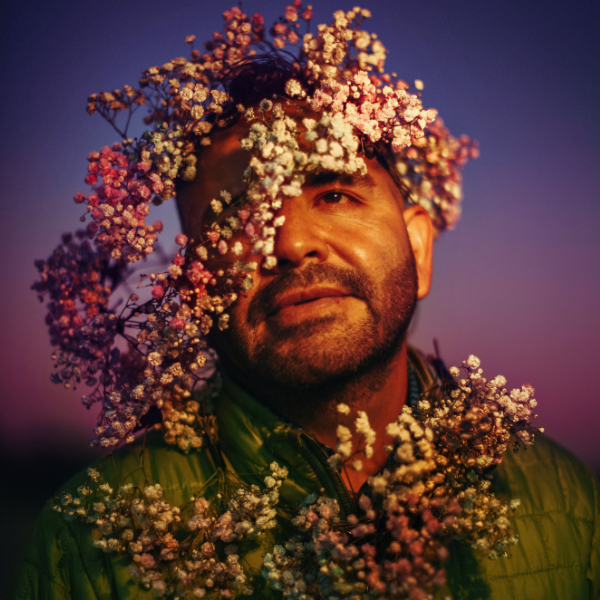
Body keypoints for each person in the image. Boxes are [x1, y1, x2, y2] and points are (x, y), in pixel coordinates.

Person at [15, 4, 600, 599]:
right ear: (191, 278)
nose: (290, 244)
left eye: (335, 194)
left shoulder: (563, 504)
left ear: (419, 247)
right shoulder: (95, 542)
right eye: (238, 215)